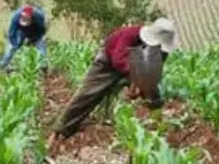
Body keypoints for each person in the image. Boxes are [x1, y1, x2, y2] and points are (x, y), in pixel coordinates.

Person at [48, 18, 179, 147]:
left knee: (152, 93)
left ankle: (158, 129)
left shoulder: (162, 50)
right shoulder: (129, 35)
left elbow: (155, 67)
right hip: (107, 65)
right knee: (87, 95)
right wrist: (136, 78)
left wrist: (141, 85)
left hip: (136, 69)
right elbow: (118, 60)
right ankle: (61, 130)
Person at [0, 5, 48, 73]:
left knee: (41, 49)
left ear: (31, 19)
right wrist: (16, 46)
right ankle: (2, 66)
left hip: (35, 31)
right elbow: (11, 35)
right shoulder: (15, 18)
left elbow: (42, 31)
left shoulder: (38, 17)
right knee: (10, 50)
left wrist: (32, 40)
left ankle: (43, 67)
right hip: (21, 31)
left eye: (27, 22)